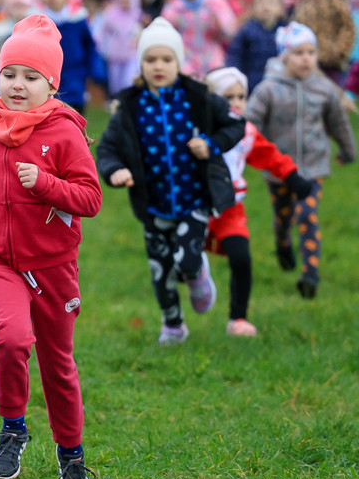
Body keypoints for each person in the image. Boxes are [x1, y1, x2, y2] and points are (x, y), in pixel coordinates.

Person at [0, 15, 102, 479]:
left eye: (31, 78)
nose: (18, 85)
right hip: (0, 258)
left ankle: (71, 458)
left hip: (53, 265)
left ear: (52, 85)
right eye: (10, 74)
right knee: (12, 340)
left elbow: (90, 199)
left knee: (58, 363)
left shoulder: (66, 133)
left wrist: (49, 185)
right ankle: (13, 427)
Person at [96, 18, 245, 345]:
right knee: (160, 270)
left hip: (194, 199)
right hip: (152, 205)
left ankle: (197, 275)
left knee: (186, 260)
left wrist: (210, 144)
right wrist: (114, 171)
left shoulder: (198, 98)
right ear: (141, 64)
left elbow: (235, 125)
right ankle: (173, 326)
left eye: (167, 59)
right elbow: (107, 149)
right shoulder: (130, 107)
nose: (159, 66)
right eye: (150, 60)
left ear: (179, 62)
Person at [244, 22, 357, 299]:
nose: (306, 58)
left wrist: (348, 150)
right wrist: (239, 151)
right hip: (278, 170)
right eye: (298, 53)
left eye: (311, 52)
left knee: (307, 215)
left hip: (313, 167)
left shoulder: (324, 89)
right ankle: (282, 241)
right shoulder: (268, 89)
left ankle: (310, 275)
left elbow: (339, 123)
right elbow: (249, 124)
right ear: (284, 56)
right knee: (284, 218)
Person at [203, 67, 314, 336]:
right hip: (195, 207)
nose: (237, 103)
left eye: (242, 96)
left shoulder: (246, 131)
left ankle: (238, 319)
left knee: (242, 258)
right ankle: (175, 318)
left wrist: (292, 176)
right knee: (186, 262)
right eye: (229, 97)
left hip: (230, 207)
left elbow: (270, 156)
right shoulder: (196, 131)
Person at [35, 0, 107, 112]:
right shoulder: (37, 19)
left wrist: (96, 69)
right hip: (46, 77)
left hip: (74, 76)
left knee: (74, 117)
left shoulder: (77, 19)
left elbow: (89, 46)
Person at [291, 0, 356, 86]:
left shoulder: (338, 6)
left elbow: (348, 30)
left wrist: (337, 52)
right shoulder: (303, 6)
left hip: (332, 63)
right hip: (306, 61)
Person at [225, 0, 288, 93]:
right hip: (252, 87)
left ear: (280, 7)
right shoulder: (246, 31)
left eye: (270, 1)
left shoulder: (287, 32)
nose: (265, 5)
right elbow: (234, 57)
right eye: (260, 1)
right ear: (253, 7)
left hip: (281, 88)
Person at [94, 0, 143, 96]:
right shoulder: (110, 14)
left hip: (131, 55)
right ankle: (118, 104)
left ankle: (129, 101)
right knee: (115, 84)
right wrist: (101, 48)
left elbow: (140, 31)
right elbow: (100, 33)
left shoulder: (137, 14)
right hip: (114, 56)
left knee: (129, 81)